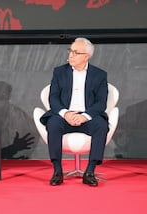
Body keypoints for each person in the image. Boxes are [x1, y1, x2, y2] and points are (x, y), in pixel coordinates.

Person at [40, 37, 108, 187]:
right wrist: (66, 113)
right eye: (70, 51)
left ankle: (90, 171)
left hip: (87, 116)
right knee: (53, 124)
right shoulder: (59, 72)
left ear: (86, 56)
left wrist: (84, 116)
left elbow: (101, 103)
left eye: (76, 52)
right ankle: (57, 171)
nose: (71, 55)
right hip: (65, 116)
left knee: (101, 126)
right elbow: (53, 98)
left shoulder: (99, 75)